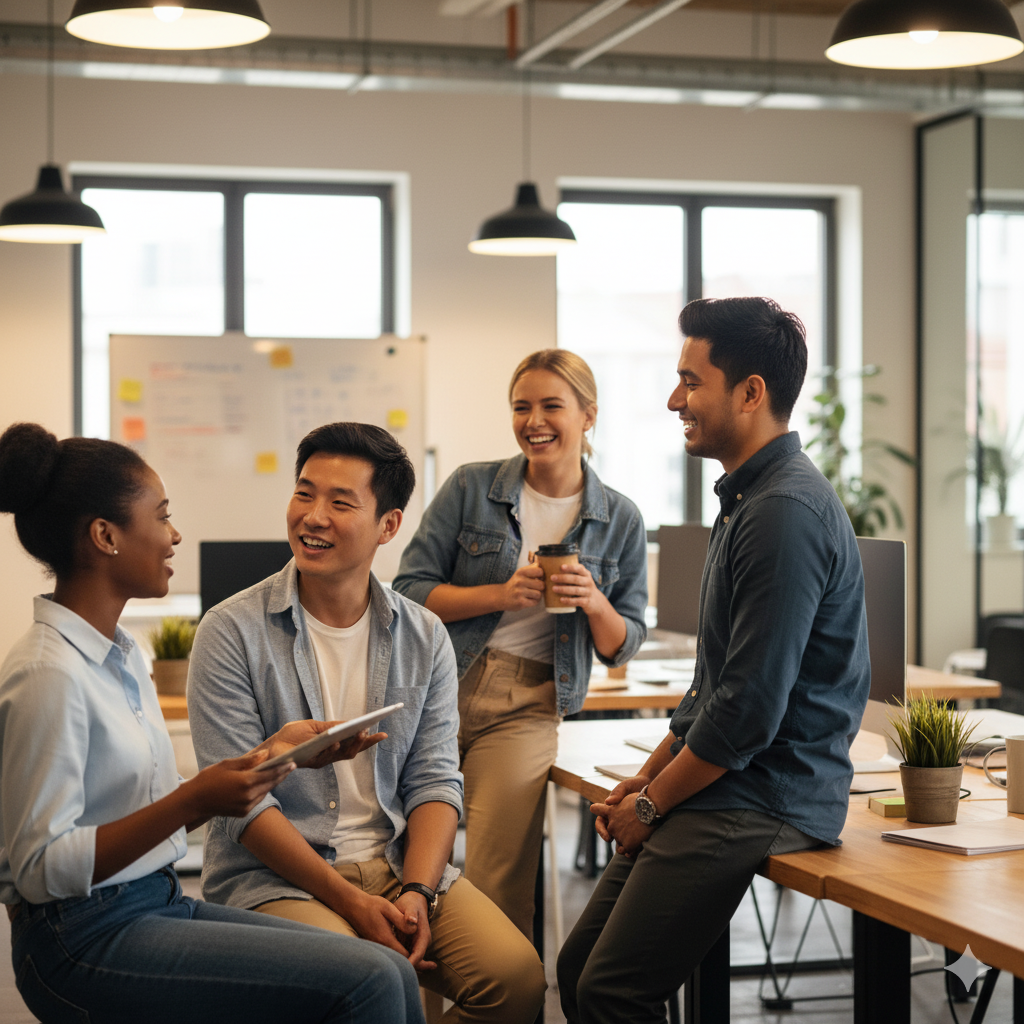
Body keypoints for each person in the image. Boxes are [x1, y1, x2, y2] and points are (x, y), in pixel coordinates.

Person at [0, 422, 426, 1024]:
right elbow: (42, 870)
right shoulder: (49, 674)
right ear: (105, 536)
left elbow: (125, 806)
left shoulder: (117, 655)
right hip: (80, 937)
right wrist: (195, 802)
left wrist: (275, 755)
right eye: (162, 516)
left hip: (154, 899)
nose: (175, 536)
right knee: (367, 982)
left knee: (388, 973)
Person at [556, 297, 872, 1024]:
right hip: (732, 780)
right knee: (580, 971)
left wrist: (651, 802)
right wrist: (650, 772)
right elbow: (716, 688)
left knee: (609, 990)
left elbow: (748, 713)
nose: (675, 400)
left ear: (751, 392)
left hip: (768, 792)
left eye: (691, 382)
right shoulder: (748, 500)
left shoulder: (783, 512)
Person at [187, 421, 545, 1024]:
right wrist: (352, 902)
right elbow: (243, 807)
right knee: (369, 982)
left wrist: (416, 892)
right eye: (304, 493)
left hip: (398, 863)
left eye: (339, 501)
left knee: (517, 981)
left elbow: (434, 780)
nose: (313, 516)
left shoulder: (423, 633)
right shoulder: (230, 631)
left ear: (388, 526)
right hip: (279, 878)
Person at [393, 349, 648, 938]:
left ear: (588, 416)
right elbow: (410, 589)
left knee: (495, 884)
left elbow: (622, 645)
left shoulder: (622, 520)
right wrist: (500, 595)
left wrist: (593, 600)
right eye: (521, 407)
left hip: (528, 706)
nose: (534, 420)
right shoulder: (471, 487)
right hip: (439, 685)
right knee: (406, 869)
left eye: (551, 406)